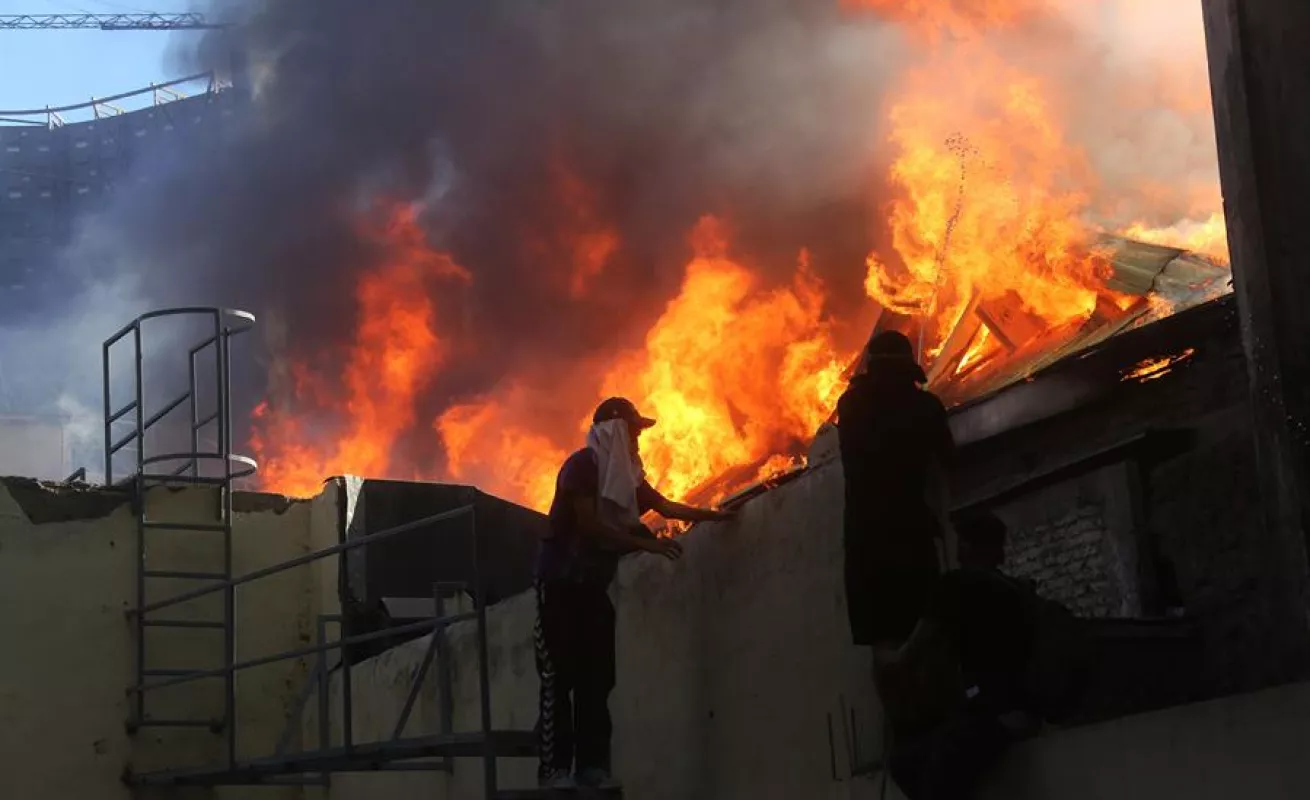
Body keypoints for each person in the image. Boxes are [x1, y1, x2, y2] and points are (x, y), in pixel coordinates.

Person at [534, 396, 734, 790]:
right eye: (632, 432)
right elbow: (589, 526)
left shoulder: (625, 479)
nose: (637, 442)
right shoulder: (582, 468)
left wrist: (715, 513)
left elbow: (667, 507)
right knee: (561, 677)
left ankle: (592, 766)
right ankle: (554, 770)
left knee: (598, 677)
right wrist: (647, 544)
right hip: (559, 586)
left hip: (592, 588)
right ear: (611, 429)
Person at [880, 512, 1086, 800]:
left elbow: (908, 655)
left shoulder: (954, 586)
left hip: (990, 714)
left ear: (966, 546)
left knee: (910, 765)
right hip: (1026, 712)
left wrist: (886, 660)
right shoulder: (1018, 590)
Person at [836, 329, 955, 654]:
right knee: (925, 630)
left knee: (883, 639)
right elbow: (950, 458)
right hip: (909, 535)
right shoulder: (923, 407)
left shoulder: (850, 405)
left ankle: (899, 694)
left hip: (864, 541)